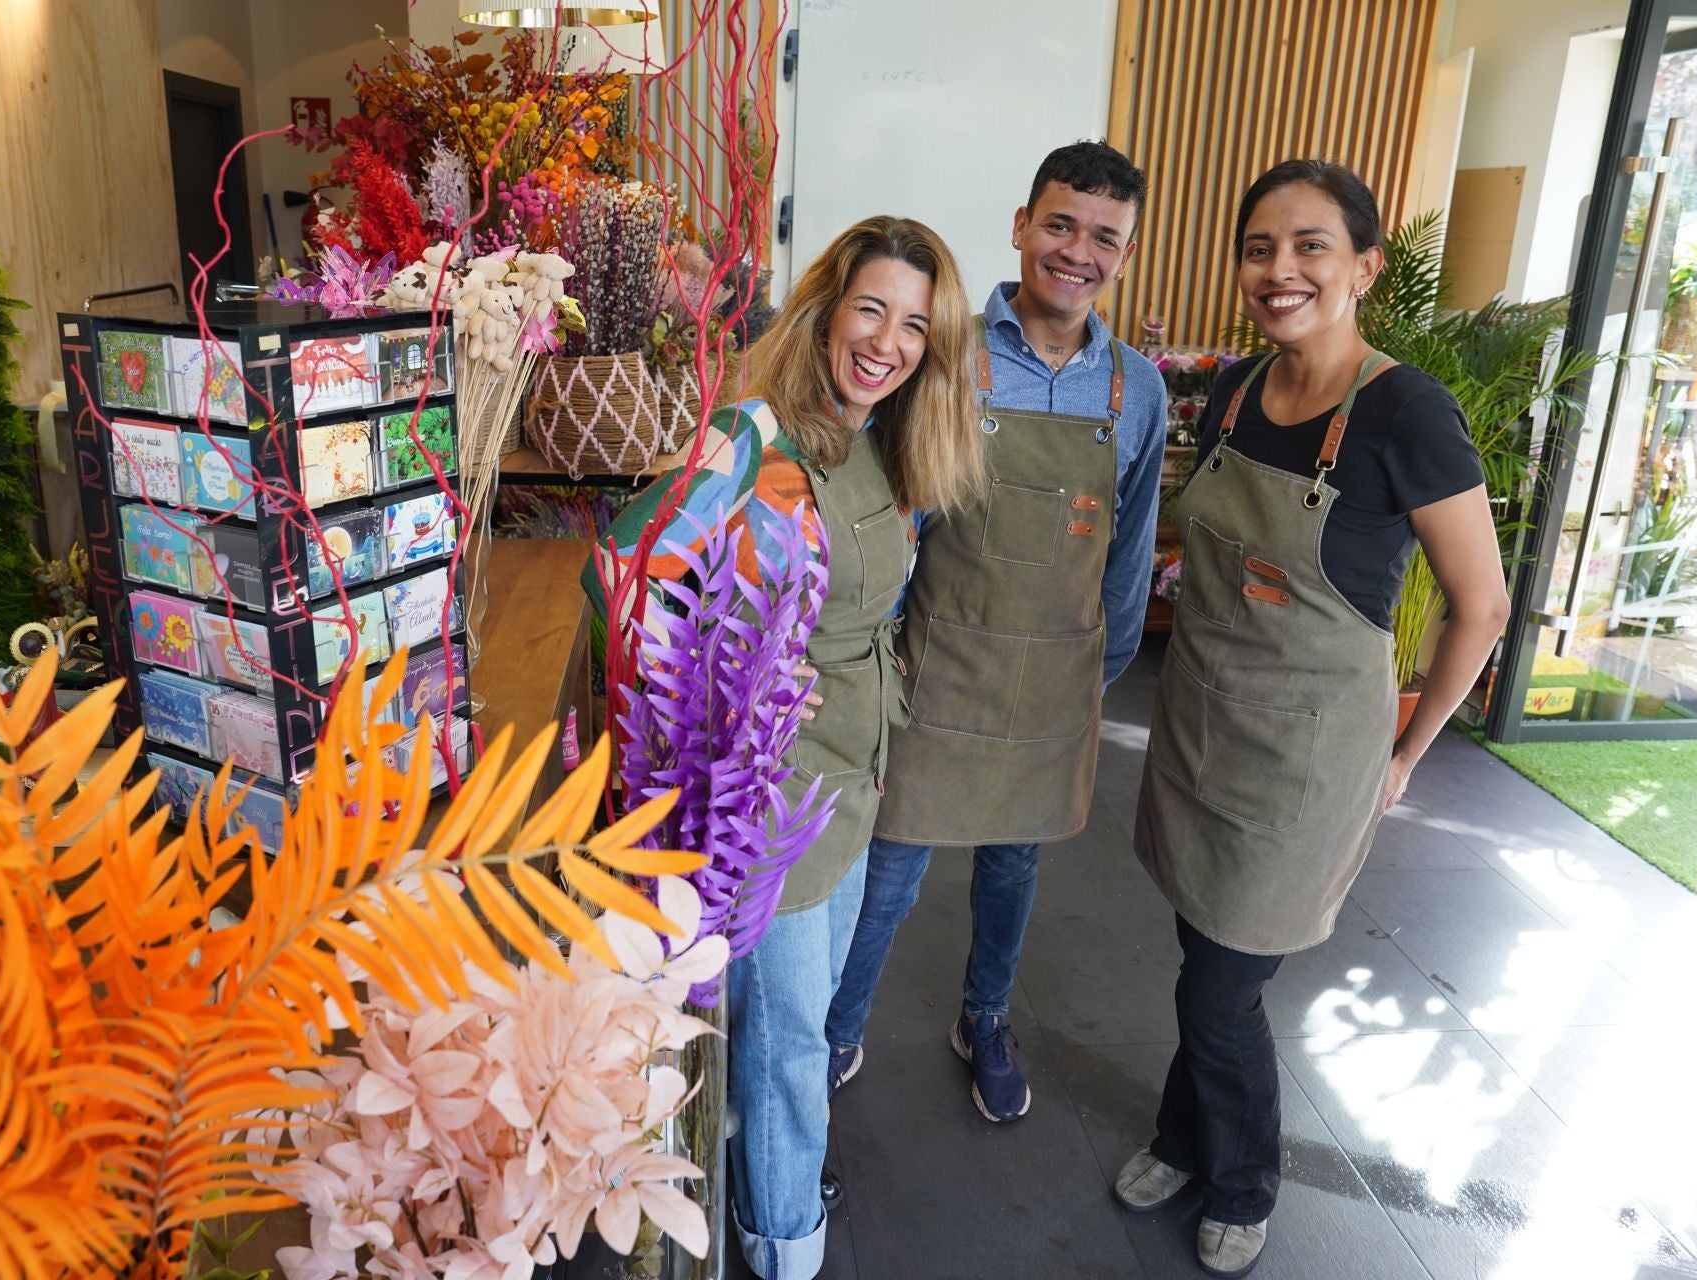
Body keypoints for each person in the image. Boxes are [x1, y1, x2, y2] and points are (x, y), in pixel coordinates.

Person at [1112, 159, 1510, 1278]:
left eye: (1309, 246)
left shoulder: (1405, 411)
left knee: (1220, 982)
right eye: (1258, 248)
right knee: (1204, 948)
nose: (1278, 270)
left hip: (1308, 758)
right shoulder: (1237, 389)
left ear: (1365, 266)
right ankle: (1186, 1137)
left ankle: (1240, 1177)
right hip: (1202, 728)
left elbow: (1482, 605)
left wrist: (1407, 754)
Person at [585, 216, 983, 1280]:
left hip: (855, 776)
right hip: (774, 789)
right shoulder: (758, 437)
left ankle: (763, 1182)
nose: (887, 342)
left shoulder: (886, 443)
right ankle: (783, 1242)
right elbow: (623, 566)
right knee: (789, 1039)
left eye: (913, 325)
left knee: (792, 1022)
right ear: (827, 308)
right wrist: (707, 701)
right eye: (871, 309)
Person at [823, 141, 1168, 1123]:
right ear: (1021, 226)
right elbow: (899, 520)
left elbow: (1130, 544)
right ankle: (842, 1029)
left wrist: (1101, 670)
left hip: (1056, 677)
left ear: (1125, 254)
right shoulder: (949, 354)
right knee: (890, 869)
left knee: (1013, 872)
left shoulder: (1133, 390)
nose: (1077, 251)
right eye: (1060, 224)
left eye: (1105, 236)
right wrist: (877, 669)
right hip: (941, 662)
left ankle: (984, 1017)